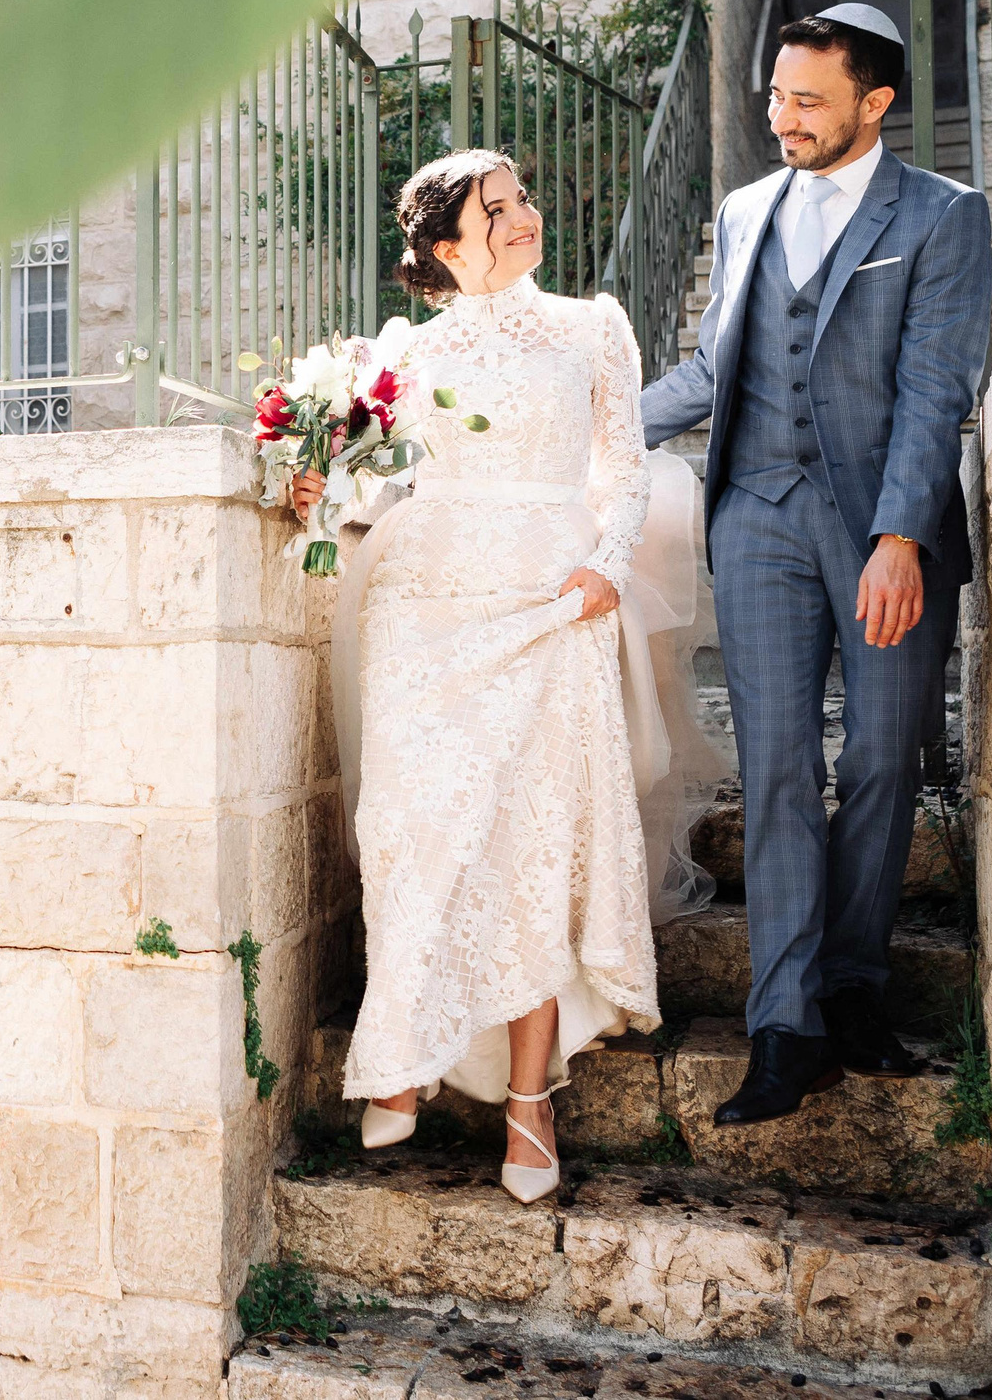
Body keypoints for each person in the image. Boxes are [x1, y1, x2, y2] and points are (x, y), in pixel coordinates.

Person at [293, 148, 712, 1203]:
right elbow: (363, 485)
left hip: (548, 602)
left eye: (522, 196)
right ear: (445, 248)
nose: (525, 215)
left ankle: (530, 1105)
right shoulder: (401, 354)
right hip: (423, 610)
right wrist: (312, 472)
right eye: (498, 208)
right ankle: (401, 1055)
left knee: (534, 845)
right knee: (407, 833)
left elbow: (622, 465)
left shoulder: (590, 327)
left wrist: (606, 564)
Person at [639, 4, 990, 1126]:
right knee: (781, 767)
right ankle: (782, 1024)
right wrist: (583, 423)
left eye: (806, 101)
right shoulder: (746, 211)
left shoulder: (941, 217)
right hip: (757, 519)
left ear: (873, 104)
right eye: (774, 96)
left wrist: (900, 537)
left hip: (881, 524)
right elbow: (712, 369)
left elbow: (938, 386)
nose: (780, 118)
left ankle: (853, 985)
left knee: (884, 758)